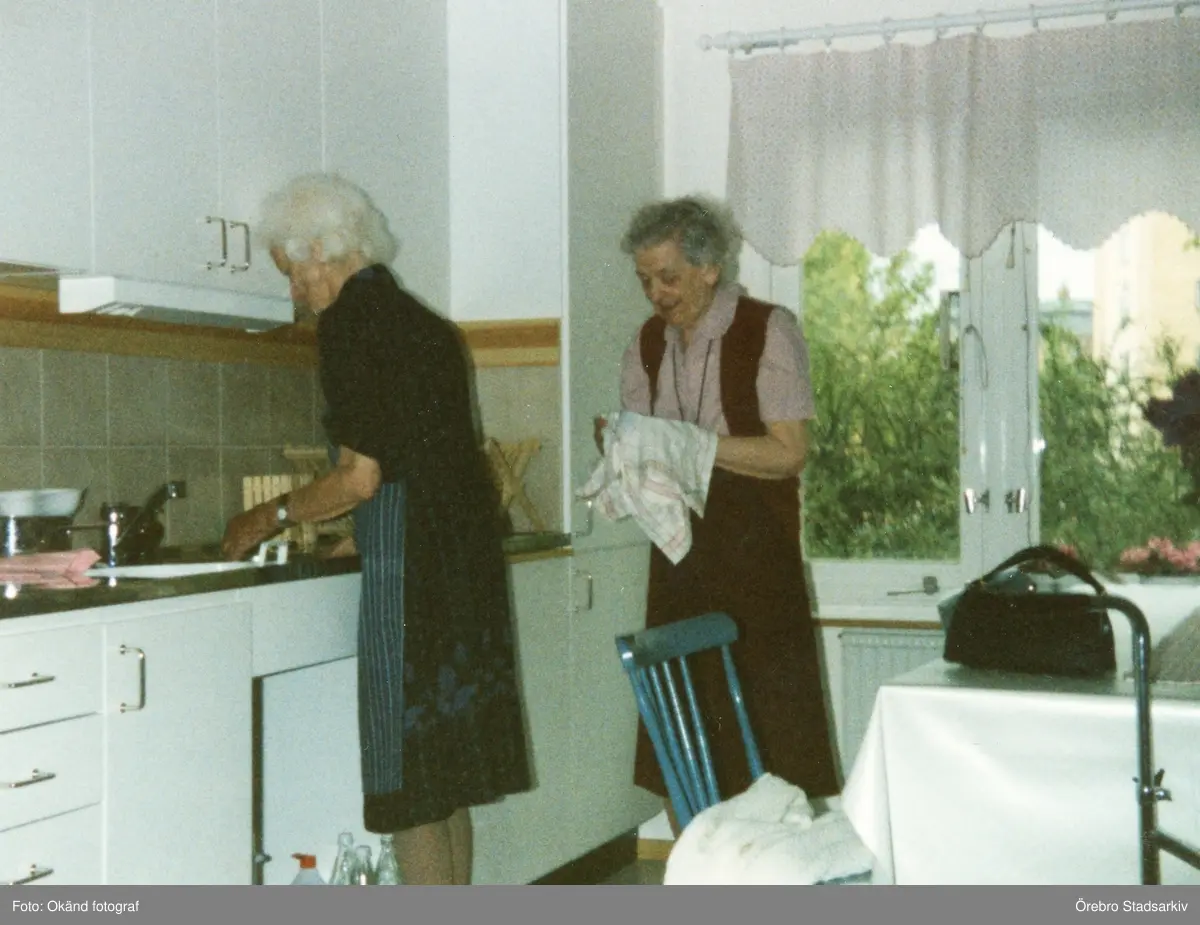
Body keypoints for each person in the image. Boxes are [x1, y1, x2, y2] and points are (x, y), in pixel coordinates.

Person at [220, 173, 531, 884]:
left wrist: (264, 517)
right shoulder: (428, 325)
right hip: (465, 565)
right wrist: (363, 534)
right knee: (446, 777)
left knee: (409, 785)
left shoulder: (349, 324)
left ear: (321, 250)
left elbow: (360, 476)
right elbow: (423, 458)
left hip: (414, 576)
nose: (293, 291)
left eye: (292, 271)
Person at [609, 195, 840, 832]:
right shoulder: (645, 345)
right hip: (678, 558)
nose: (655, 294)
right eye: (645, 279)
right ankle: (699, 866)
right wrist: (622, 452)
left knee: (766, 743)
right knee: (678, 735)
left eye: (669, 277)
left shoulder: (768, 331)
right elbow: (643, 443)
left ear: (710, 269)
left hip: (755, 561)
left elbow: (789, 452)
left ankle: (768, 874)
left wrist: (694, 446)